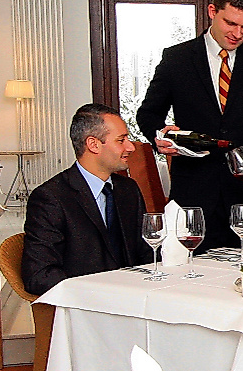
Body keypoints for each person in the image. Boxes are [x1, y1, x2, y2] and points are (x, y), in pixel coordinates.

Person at [136, 0, 243, 250]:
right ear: (212, 11)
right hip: (193, 194)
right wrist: (160, 135)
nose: (238, 34)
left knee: (242, 269)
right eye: (231, 23)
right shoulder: (177, 59)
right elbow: (148, 113)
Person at [22, 104, 151, 295]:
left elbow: (146, 253)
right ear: (93, 144)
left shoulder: (128, 189)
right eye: (121, 140)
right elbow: (39, 275)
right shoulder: (51, 198)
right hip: (86, 305)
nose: (130, 147)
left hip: (136, 297)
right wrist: (98, 292)